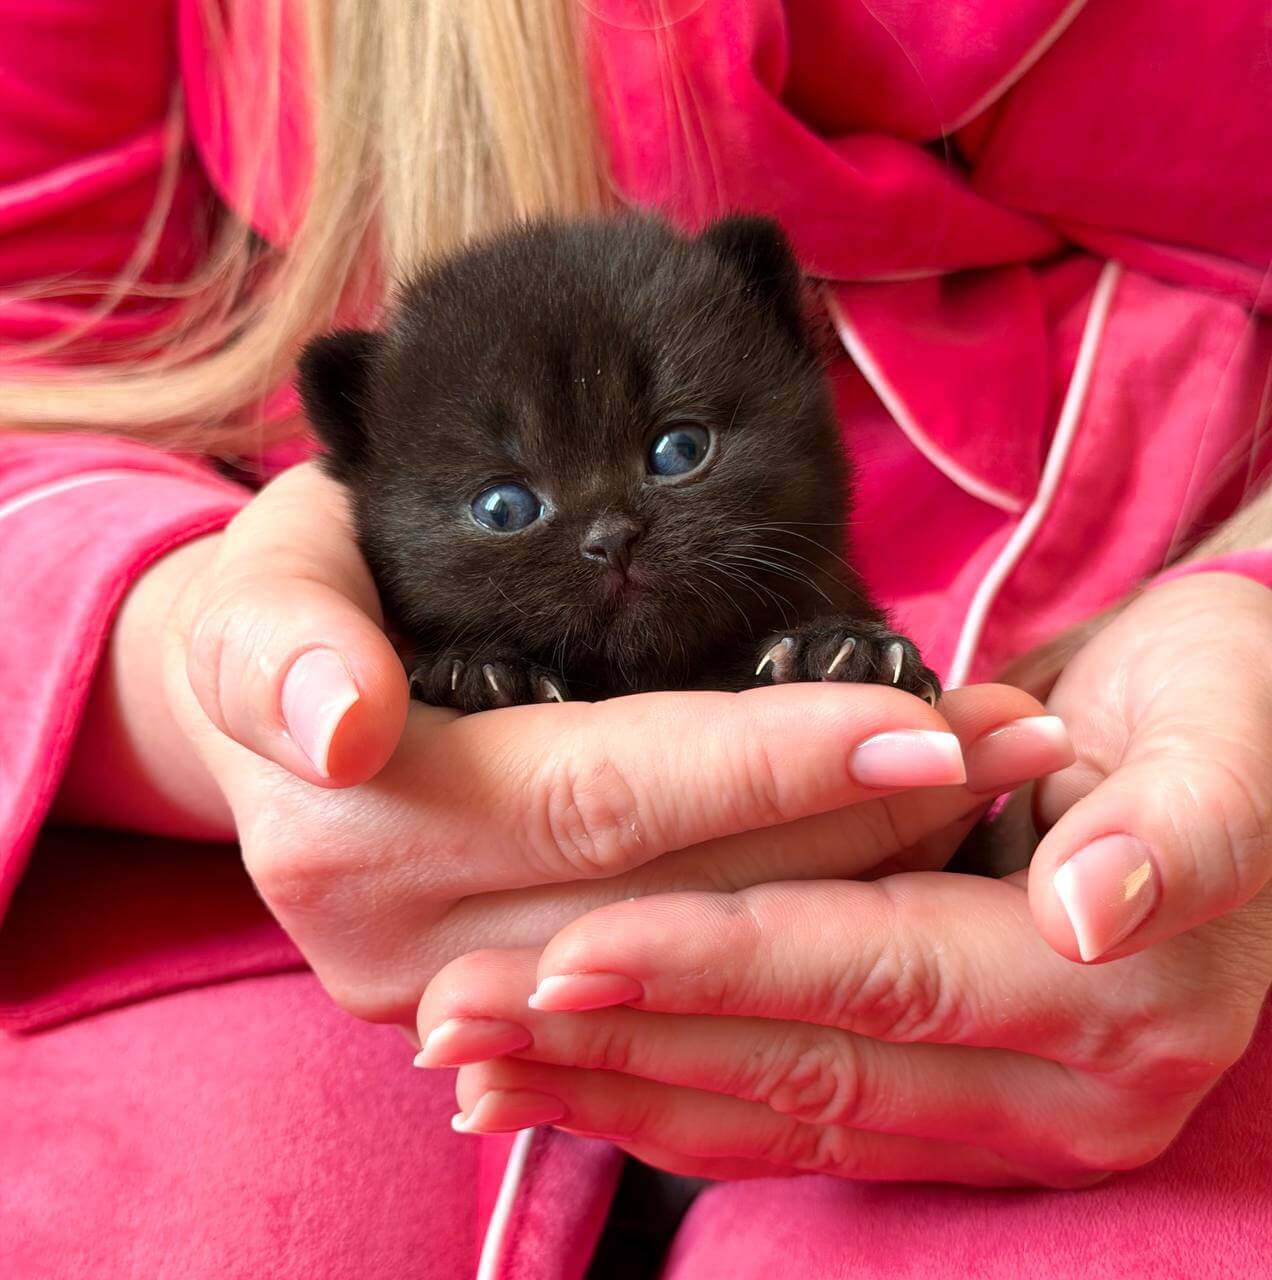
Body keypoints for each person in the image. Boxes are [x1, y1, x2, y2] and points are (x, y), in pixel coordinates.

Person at [2, 2, 1270, 1277]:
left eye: (677, 450)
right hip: (291, 910)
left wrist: (1249, 603)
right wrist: (218, 668)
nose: (610, 528)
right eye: (510, 507)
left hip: (1137, 817)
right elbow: (31, 365)